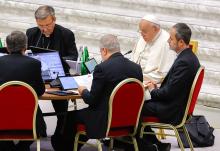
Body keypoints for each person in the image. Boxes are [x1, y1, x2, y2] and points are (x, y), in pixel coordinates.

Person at [52, 34, 143, 151]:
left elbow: (92, 101)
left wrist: (83, 90)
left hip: (104, 120)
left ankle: (64, 148)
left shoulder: (102, 68)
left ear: (104, 50)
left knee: (71, 115)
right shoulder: (136, 68)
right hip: (129, 120)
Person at [141, 23, 200, 151]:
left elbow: (168, 93)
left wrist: (153, 90)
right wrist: (156, 87)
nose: (168, 41)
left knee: (135, 107)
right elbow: (174, 87)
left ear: (181, 42)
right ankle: (157, 145)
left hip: (172, 110)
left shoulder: (184, 62)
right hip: (175, 105)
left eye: (171, 39)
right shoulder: (188, 57)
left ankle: (141, 146)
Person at [26, 5, 78, 146]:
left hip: (58, 78)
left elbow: (73, 57)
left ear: (54, 19)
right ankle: (38, 127)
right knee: (27, 102)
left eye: (47, 25)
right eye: (40, 26)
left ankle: (59, 139)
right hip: (36, 78)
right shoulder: (31, 33)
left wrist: (55, 60)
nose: (44, 29)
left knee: (61, 111)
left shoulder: (66, 34)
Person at [0, 31, 46, 151]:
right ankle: (21, 148)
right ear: (25, 47)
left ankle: (8, 148)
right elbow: (40, 91)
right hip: (30, 122)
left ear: (7, 47)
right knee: (39, 123)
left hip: (2, 119)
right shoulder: (34, 63)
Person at [131, 15, 176, 84]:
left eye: (144, 31)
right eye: (140, 31)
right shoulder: (143, 37)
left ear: (155, 29)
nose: (142, 34)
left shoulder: (167, 42)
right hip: (135, 77)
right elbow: (134, 58)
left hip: (152, 84)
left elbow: (163, 74)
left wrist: (140, 78)